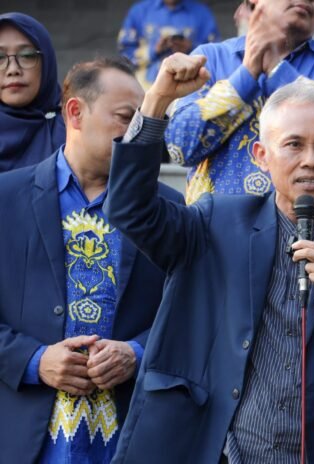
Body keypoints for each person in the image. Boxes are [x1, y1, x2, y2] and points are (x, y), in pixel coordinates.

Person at [104, 54, 314, 463]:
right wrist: (157, 101)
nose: (311, 160)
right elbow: (130, 209)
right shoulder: (216, 223)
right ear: (261, 155)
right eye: (294, 144)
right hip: (222, 450)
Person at [0, 56, 183, 463]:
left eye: (146, 120)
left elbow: (192, 313)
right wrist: (34, 360)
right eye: (126, 118)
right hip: (23, 436)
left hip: (131, 434)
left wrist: (137, 352)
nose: (138, 132)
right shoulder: (6, 199)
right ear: (75, 112)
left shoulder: (169, 209)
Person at [166, 0, 314, 205]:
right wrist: (246, 76)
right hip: (217, 227)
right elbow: (180, 147)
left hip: (311, 227)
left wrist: (277, 70)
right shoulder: (209, 59)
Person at [0, 12, 65, 172]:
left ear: (47, 63)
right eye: (0, 58)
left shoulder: (73, 132)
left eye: (27, 56)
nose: (13, 69)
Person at [117, 0, 219, 88]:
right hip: (145, 87)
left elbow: (215, 58)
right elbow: (125, 54)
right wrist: (154, 50)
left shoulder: (202, 14)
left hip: (188, 89)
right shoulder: (140, 11)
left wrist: (190, 49)